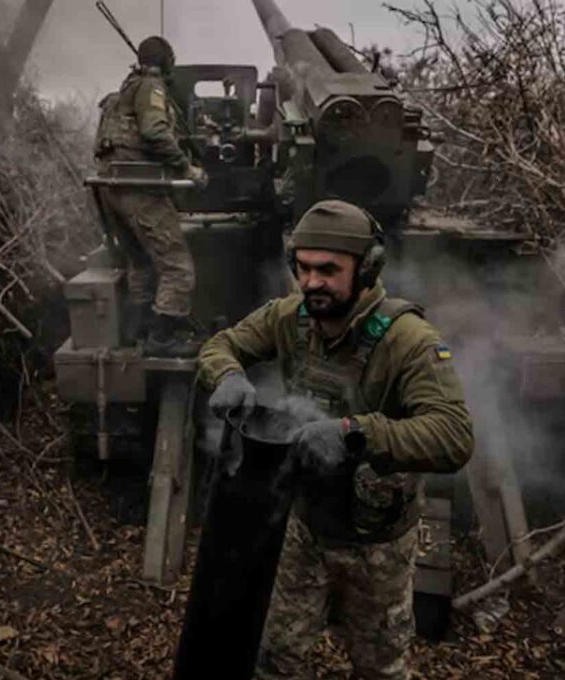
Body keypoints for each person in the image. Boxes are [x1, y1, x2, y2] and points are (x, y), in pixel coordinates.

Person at [197, 199, 474, 680]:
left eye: (328, 269)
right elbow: (221, 345)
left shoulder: (409, 340)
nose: (312, 283)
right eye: (302, 268)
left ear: (366, 269)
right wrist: (227, 375)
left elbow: (453, 436)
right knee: (277, 660)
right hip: (304, 526)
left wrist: (354, 432)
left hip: (378, 547)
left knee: (380, 670)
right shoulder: (290, 317)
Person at [94, 36, 206, 357]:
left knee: (140, 262)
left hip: (111, 189)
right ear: (166, 62)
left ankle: (137, 329)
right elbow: (155, 131)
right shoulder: (152, 88)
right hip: (138, 190)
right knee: (178, 268)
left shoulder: (122, 93)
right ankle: (163, 338)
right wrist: (187, 169)